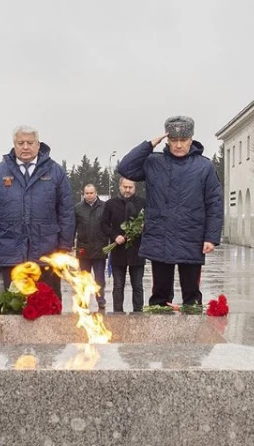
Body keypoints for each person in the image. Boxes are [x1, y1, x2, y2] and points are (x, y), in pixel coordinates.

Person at [118, 116, 222, 307]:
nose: (179, 145)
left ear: (191, 139)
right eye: (174, 140)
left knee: (192, 295)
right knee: (160, 296)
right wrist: (149, 145)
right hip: (160, 238)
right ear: (167, 140)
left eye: (183, 140)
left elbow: (214, 203)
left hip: (191, 238)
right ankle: (159, 333)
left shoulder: (204, 166)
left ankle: (193, 331)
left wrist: (211, 237)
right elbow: (125, 168)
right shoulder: (153, 162)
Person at [0, 125, 74, 298]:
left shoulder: (55, 172)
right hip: (11, 250)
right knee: (15, 305)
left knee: (47, 304)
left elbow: (66, 211)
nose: (25, 147)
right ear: (14, 144)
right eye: (21, 143)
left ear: (38, 144)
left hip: (47, 252)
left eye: (30, 142)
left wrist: (65, 245)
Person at [102, 177, 146, 312]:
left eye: (130, 187)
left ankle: (138, 313)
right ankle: (118, 313)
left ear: (135, 188)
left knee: (137, 286)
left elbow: (151, 222)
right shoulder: (110, 204)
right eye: (125, 187)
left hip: (137, 251)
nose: (127, 190)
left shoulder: (143, 203)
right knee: (118, 286)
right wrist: (115, 236)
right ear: (120, 187)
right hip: (118, 251)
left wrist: (142, 228)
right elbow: (103, 224)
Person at [74, 183, 108, 309]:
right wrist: (70, 244)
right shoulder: (77, 208)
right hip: (83, 249)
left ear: (96, 193)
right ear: (84, 194)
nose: (89, 195)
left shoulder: (105, 207)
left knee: (99, 278)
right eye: (86, 193)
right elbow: (73, 227)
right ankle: (83, 300)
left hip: (100, 248)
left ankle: (101, 300)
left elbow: (108, 226)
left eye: (91, 193)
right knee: (83, 277)